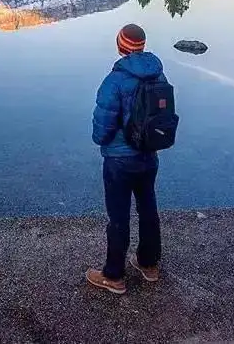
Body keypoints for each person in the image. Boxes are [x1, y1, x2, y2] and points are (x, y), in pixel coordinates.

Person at [86, 23, 166, 295]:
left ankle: (114, 276)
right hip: (149, 155)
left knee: (118, 216)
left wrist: (101, 139)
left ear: (121, 46)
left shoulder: (114, 81)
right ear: (142, 46)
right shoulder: (158, 74)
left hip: (119, 160)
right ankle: (148, 264)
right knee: (148, 210)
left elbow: (102, 128)